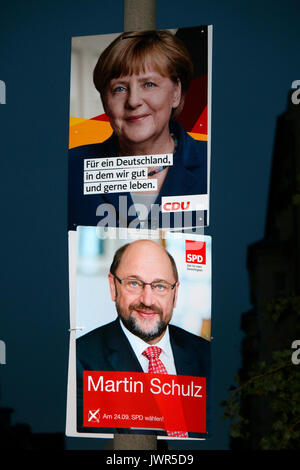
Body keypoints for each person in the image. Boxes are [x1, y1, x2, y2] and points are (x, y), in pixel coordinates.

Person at [68, 30, 208, 231]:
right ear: (105, 101)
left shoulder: (214, 164)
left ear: (176, 92)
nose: (133, 101)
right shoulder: (71, 168)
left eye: (149, 84)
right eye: (119, 89)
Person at [76, 239, 211, 437]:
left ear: (175, 293)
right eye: (134, 283)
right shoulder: (80, 360)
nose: (147, 300)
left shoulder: (206, 355)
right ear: (113, 287)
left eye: (160, 286)